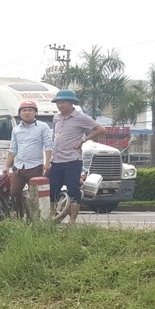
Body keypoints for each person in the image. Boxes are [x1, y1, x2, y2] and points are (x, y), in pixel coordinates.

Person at [49, 89, 105, 224]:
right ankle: (51, 218)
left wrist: (84, 139)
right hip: (56, 160)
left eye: (63, 102)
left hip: (72, 160)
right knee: (52, 190)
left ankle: (73, 221)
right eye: (58, 102)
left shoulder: (80, 117)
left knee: (73, 190)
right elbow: (55, 137)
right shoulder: (56, 118)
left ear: (71, 103)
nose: (60, 105)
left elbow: (101, 129)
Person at [2, 101, 53, 219]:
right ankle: (20, 218)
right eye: (24, 110)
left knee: (34, 195)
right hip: (19, 167)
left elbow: (48, 145)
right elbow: (13, 149)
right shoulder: (16, 129)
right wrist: (6, 166)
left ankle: (34, 219)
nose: (27, 113)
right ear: (20, 113)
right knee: (14, 193)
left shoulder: (42, 127)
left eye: (30, 110)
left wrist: (47, 162)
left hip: (35, 166)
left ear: (35, 112)